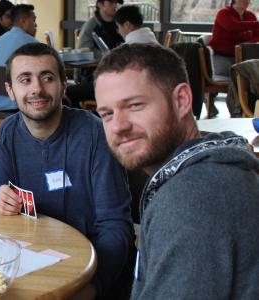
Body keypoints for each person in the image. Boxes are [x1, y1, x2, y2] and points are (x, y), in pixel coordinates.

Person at [94, 43, 259, 299]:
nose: (118, 126)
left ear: (181, 100)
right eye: (106, 114)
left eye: (135, 105)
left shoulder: (191, 198)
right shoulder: (210, 171)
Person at [0, 43, 135, 299]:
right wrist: (2, 200)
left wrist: (91, 287)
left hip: (95, 268)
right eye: (25, 80)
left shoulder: (95, 134)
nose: (37, 88)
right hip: (34, 262)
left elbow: (115, 228)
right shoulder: (8, 133)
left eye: (47, 77)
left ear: (64, 85)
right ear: (10, 91)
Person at [0, 4, 40, 111]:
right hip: (21, 103)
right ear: (24, 21)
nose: (36, 25)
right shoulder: (33, 43)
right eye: (33, 20)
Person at [208, 0, 259, 77]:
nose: (247, 1)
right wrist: (256, 24)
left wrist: (246, 44)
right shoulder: (223, 13)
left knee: (251, 74)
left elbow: (257, 35)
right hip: (222, 56)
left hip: (244, 57)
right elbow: (232, 26)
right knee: (238, 75)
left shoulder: (250, 15)